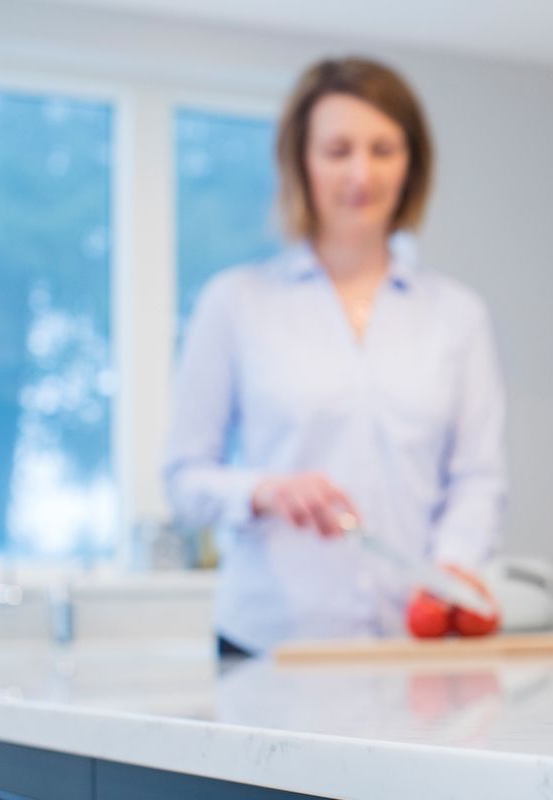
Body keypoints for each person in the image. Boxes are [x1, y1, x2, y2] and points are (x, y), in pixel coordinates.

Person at [163, 57, 508, 657]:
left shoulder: (459, 314)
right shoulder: (236, 302)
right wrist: (263, 490)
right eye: (338, 149)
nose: (361, 172)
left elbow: (478, 479)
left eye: (383, 149)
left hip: (413, 648)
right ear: (301, 162)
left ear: (412, 164)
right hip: (270, 645)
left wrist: (450, 573)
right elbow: (184, 481)